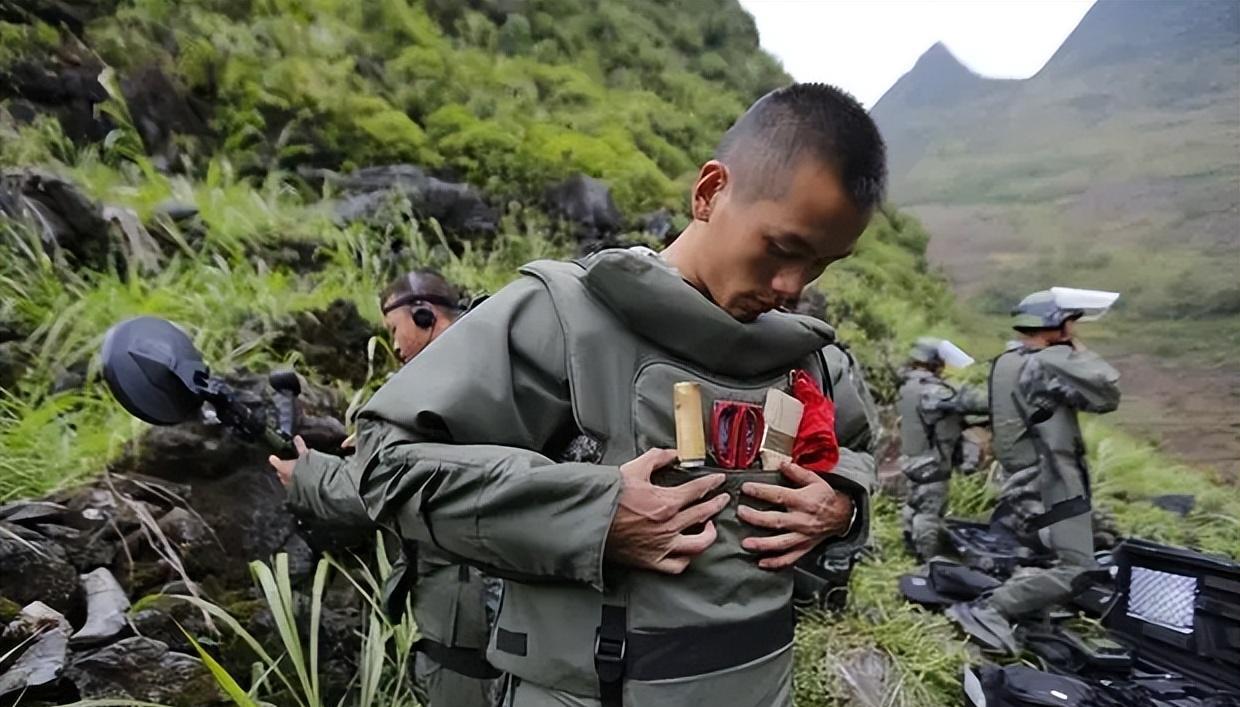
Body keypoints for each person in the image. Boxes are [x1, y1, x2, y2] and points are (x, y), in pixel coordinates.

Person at [349, 82, 886, 707]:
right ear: (711, 192)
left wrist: (842, 503)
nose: (794, 286)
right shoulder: (564, 318)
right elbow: (385, 462)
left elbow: (856, 452)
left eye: (823, 263)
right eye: (783, 248)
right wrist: (593, 513)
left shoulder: (810, 358)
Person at [270, 270, 502, 707]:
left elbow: (385, 491)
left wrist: (307, 475)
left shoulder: (445, 378)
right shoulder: (490, 359)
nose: (394, 347)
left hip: (466, 611)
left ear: (424, 314)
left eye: (396, 331)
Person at [948, 290, 1120, 653]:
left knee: (1047, 555)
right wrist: (1078, 348)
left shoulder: (1009, 360)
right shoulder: (1049, 360)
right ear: (1055, 323)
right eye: (1070, 321)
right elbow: (1107, 390)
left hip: (1023, 478)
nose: (1074, 327)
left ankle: (1030, 619)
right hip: (1053, 479)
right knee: (1078, 567)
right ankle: (991, 609)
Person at [897, 338, 987, 562]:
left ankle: (908, 551)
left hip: (912, 459)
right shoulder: (932, 390)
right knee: (929, 515)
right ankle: (927, 561)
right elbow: (972, 402)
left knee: (912, 507)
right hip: (931, 464)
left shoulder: (909, 385)